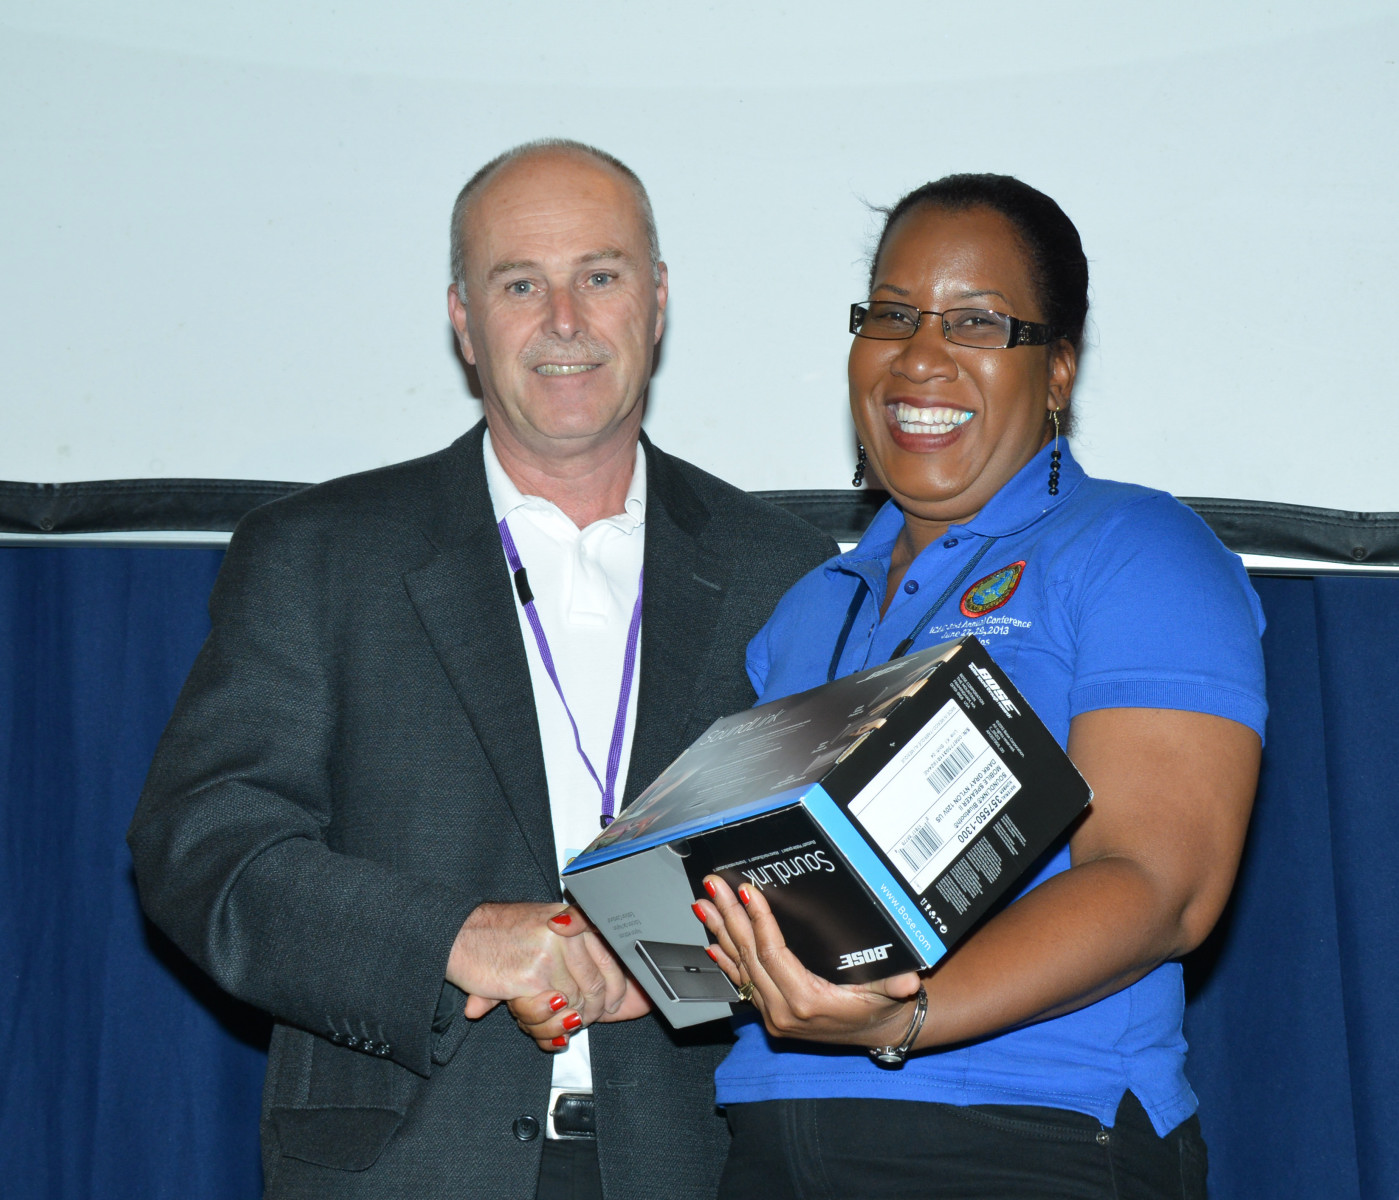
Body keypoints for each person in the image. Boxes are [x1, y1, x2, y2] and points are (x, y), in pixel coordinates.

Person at [126, 139, 834, 1200]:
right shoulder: (318, 554)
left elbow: (826, 877)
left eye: (600, 276)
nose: (565, 320)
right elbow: (204, 846)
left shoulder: (784, 570)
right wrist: (457, 939)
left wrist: (672, 958)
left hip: (700, 1162)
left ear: (657, 300)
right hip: (403, 1166)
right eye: (520, 285)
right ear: (463, 319)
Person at [670, 174, 1265, 1198]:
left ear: (1057, 369)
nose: (919, 355)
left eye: (976, 322)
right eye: (891, 314)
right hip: (770, 1143)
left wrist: (906, 1016)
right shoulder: (805, 610)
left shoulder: (1136, 550)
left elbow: (1159, 885)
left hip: (1033, 1137)